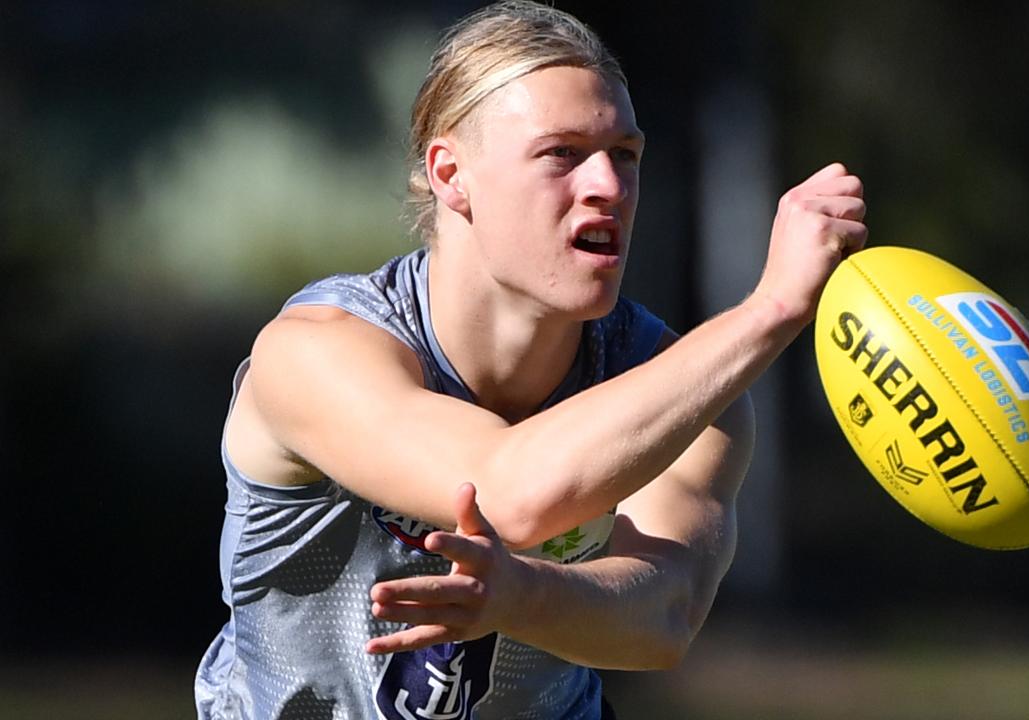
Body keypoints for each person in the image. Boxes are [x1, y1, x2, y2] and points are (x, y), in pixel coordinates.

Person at [194, 1, 867, 718]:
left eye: (625, 155)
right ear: (452, 176)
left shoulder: (687, 389)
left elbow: (663, 616)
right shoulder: (316, 353)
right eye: (563, 154)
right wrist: (768, 310)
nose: (609, 186)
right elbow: (509, 493)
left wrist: (525, 596)